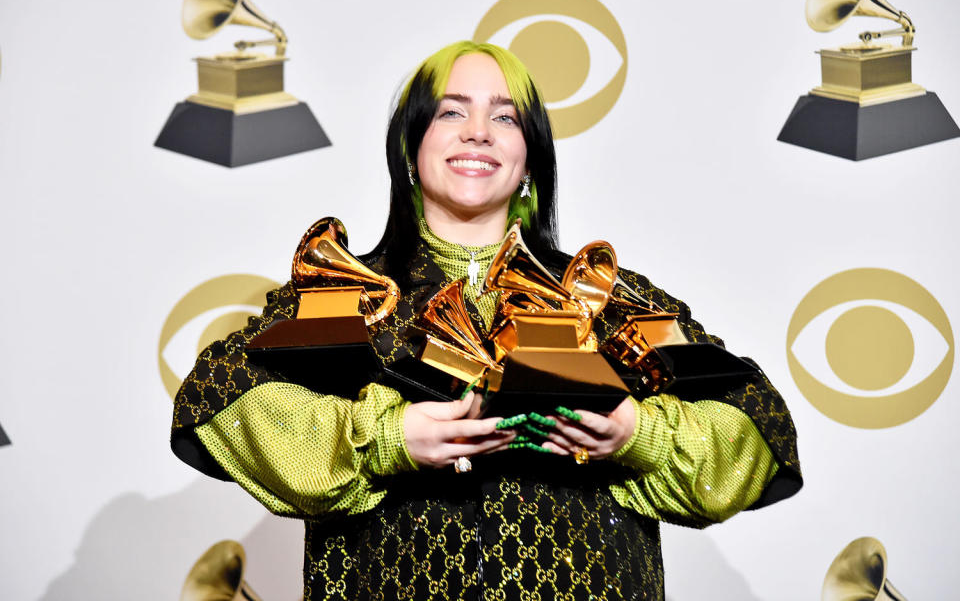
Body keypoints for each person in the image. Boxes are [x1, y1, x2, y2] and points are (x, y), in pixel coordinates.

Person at [171, 41, 802, 600]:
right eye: (451, 112)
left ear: (531, 162)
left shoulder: (612, 300)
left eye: (505, 117)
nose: (478, 132)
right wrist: (387, 438)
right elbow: (219, 398)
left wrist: (638, 434)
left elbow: (756, 424)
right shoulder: (340, 295)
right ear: (411, 148)